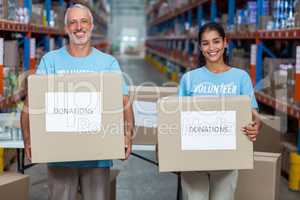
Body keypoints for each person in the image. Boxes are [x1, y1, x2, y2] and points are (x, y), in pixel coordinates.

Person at [20, 4, 134, 200]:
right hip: (59, 156)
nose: (78, 27)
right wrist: (29, 138)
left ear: (91, 26)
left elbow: (124, 103)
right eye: (72, 22)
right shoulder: (50, 61)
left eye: (83, 21)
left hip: (98, 157)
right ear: (66, 29)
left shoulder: (107, 63)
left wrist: (127, 136)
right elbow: (32, 103)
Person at [178, 22, 261, 200]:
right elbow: (178, 117)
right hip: (194, 158)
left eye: (216, 41)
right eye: (206, 43)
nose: (211, 48)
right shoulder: (189, 79)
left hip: (228, 158)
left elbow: (252, 113)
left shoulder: (241, 77)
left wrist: (256, 125)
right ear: (200, 47)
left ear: (225, 42)